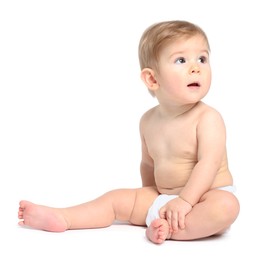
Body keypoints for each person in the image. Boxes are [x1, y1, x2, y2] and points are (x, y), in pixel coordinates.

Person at [18, 20, 240, 244]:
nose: (196, 67)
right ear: (152, 79)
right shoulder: (148, 120)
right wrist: (147, 200)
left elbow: (208, 164)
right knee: (116, 199)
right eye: (181, 60)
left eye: (202, 58)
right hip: (166, 197)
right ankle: (65, 217)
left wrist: (185, 201)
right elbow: (148, 164)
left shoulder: (208, 118)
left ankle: (170, 229)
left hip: (205, 198)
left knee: (226, 207)